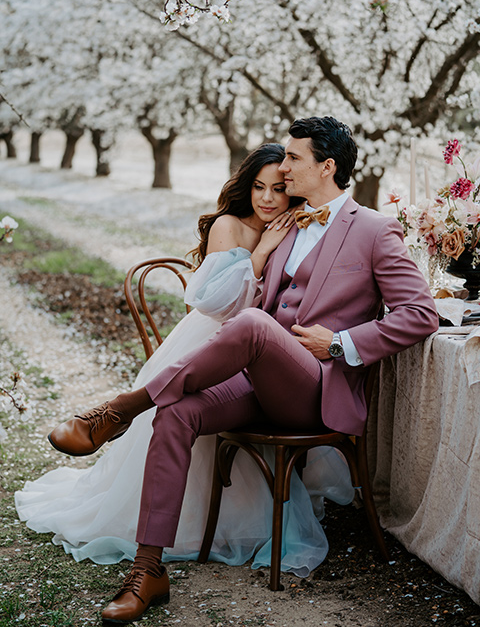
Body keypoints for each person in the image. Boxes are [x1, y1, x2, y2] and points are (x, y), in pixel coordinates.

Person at [47, 117, 439, 624]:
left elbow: (421, 313)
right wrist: (259, 255)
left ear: (328, 166)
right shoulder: (287, 225)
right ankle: (148, 569)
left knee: (253, 326)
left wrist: (341, 343)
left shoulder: (374, 228)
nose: (285, 167)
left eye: (295, 159)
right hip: (258, 381)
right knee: (177, 414)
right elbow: (240, 301)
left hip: (316, 389)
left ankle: (122, 408)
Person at [16, 142, 353, 578]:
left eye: (277, 188)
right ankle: (164, 529)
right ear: (245, 189)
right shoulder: (231, 226)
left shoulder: (294, 228)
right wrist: (260, 255)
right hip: (211, 339)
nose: (268, 198)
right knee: (183, 407)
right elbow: (210, 301)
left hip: (264, 354)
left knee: (230, 373)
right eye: (258, 187)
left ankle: (120, 411)